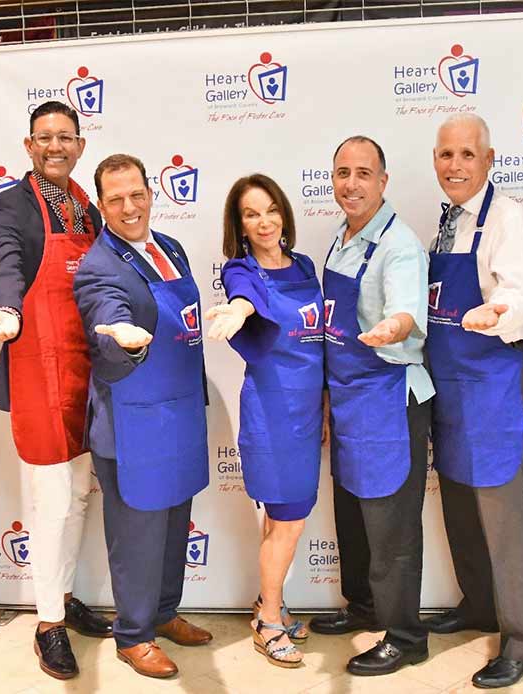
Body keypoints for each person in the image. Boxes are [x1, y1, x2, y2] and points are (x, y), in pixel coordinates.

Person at [0, 100, 111, 681]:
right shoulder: (10, 205)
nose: (55, 147)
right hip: (39, 367)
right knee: (52, 497)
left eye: (65, 137)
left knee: (79, 492)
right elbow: (4, 262)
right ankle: (48, 622)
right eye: (44, 138)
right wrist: (4, 307)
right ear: (28, 146)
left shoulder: (88, 209)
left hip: (87, 368)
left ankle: (63, 595)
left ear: (80, 145)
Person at [74, 153, 213, 680]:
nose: (129, 207)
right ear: (102, 205)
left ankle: (162, 612)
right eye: (116, 199)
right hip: (132, 423)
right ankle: (132, 635)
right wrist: (123, 337)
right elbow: (106, 311)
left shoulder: (170, 248)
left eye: (137, 194)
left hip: (176, 413)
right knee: (137, 535)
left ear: (151, 191)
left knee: (175, 524)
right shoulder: (98, 266)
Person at [424, 113, 523, 688]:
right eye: (446, 155)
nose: (455, 166)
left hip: (491, 380)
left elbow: (518, 294)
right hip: (450, 383)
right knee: (459, 504)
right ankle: (477, 605)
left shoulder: (506, 218)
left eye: (467, 155)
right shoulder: (446, 223)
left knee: (502, 513)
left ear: (489, 160)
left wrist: (497, 312)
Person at [309, 135, 433, 676]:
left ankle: (405, 635)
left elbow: (406, 308)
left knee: (392, 526)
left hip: (389, 399)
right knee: (355, 516)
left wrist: (394, 326)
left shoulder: (399, 245)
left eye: (363, 173)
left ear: (383, 182)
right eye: (342, 173)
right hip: (350, 400)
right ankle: (364, 606)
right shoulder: (341, 240)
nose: (351, 184)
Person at [204, 174, 325, 669]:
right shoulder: (242, 270)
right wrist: (239, 308)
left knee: (284, 521)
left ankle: (266, 606)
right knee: (288, 522)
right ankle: (270, 621)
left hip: (309, 407)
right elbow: (242, 293)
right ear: (240, 224)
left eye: (271, 209)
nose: (264, 221)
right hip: (273, 413)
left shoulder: (305, 265)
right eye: (251, 214)